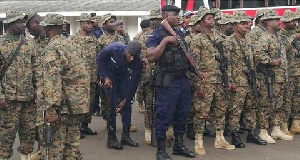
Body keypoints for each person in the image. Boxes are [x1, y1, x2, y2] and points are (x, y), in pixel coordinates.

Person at [146, 5, 197, 160]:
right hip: (167, 82)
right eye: (175, 15)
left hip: (182, 79)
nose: (178, 17)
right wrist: (166, 40)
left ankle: (179, 146)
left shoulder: (180, 32)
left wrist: (196, 71)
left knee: (182, 114)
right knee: (163, 114)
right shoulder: (157, 34)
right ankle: (161, 150)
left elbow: (185, 55)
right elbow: (151, 56)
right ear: (165, 16)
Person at [40, 13, 90, 159]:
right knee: (72, 147)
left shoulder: (52, 48)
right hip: (78, 104)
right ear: (62, 27)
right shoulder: (72, 44)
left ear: (47, 28)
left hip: (62, 107)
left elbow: (52, 80)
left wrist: (50, 109)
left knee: (55, 148)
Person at [190, 7, 236, 155]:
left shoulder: (220, 38)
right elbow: (194, 66)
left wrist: (228, 80)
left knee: (221, 110)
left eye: (212, 18)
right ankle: (198, 141)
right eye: (208, 18)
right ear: (201, 22)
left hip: (220, 80)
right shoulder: (197, 40)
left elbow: (226, 62)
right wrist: (198, 86)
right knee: (201, 112)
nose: (212, 20)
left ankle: (220, 138)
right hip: (206, 82)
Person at [223, 11, 267, 148]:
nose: (247, 26)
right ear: (235, 25)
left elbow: (252, 61)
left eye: (247, 23)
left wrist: (256, 80)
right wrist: (230, 81)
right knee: (236, 109)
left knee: (251, 107)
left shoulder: (248, 40)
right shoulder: (229, 41)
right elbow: (226, 63)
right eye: (243, 24)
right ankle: (234, 135)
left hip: (250, 80)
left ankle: (251, 133)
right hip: (237, 81)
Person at [0, 10, 36, 160]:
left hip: (28, 98)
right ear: (10, 24)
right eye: (19, 22)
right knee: (6, 136)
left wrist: (38, 92)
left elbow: (36, 67)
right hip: (8, 99)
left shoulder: (29, 42)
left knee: (28, 134)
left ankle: (25, 157)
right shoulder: (1, 44)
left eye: (23, 22)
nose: (23, 25)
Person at [253, 10, 293, 143]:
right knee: (266, 104)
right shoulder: (265, 38)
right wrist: (272, 61)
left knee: (278, 104)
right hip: (270, 78)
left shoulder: (277, 37)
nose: (279, 22)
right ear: (268, 23)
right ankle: (263, 131)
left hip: (280, 78)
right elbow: (258, 55)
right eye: (275, 20)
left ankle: (276, 128)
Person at [96, 41, 143, 150]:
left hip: (122, 78)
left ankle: (125, 137)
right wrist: (104, 77)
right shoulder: (114, 48)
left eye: (133, 56)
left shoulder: (138, 62)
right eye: (129, 55)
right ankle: (112, 139)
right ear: (126, 50)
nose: (131, 58)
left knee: (126, 106)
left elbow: (134, 83)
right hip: (109, 77)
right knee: (112, 105)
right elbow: (99, 59)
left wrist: (126, 99)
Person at [69, 13, 99, 138]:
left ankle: (85, 125)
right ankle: (76, 128)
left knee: (90, 102)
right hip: (78, 78)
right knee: (78, 103)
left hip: (92, 77)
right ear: (81, 24)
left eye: (91, 23)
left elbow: (98, 58)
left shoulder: (94, 40)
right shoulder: (72, 40)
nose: (90, 26)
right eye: (87, 23)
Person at [25, 11, 48, 160]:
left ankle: (48, 151)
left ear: (38, 23)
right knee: (38, 123)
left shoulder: (52, 39)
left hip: (52, 89)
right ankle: (41, 149)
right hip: (38, 90)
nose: (28, 29)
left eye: (29, 26)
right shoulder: (34, 42)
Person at [280, 9, 300, 135]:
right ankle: (283, 124)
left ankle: (296, 122)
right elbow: (283, 48)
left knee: (297, 98)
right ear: (285, 23)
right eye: (290, 21)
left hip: (298, 71)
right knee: (286, 99)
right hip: (288, 72)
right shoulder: (281, 34)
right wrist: (293, 37)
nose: (293, 23)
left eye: (294, 21)